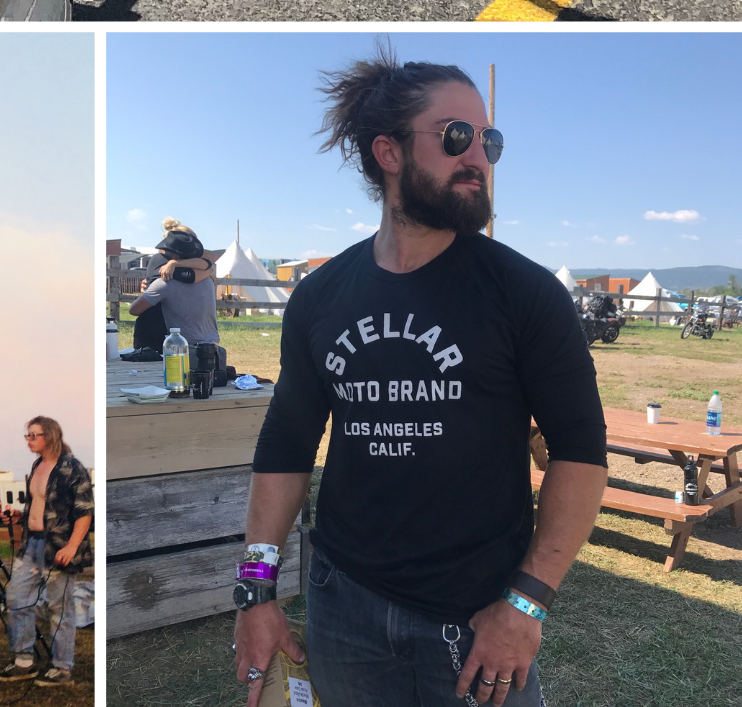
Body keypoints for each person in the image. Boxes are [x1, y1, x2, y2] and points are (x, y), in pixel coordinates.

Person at [232, 47, 609, 707]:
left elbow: (579, 454)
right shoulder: (321, 297)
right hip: (342, 609)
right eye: (455, 137)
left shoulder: (522, 294)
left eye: (488, 140)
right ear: (387, 153)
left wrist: (527, 602)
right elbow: (284, 451)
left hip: (478, 620)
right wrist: (254, 591)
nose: (478, 157)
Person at [0, 417, 92, 687]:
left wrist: (72, 547)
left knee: (60, 608)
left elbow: (85, 511)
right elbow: (39, 507)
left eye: (33, 435)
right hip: (32, 544)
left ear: (49, 436)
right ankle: (24, 661)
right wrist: (17, 517)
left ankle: (62, 668)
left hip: (59, 548)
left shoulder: (72, 468)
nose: (29, 440)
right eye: (27, 435)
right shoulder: (37, 465)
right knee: (16, 598)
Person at [128, 219, 221, 360]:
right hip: (211, 346)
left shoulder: (167, 282)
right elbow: (205, 266)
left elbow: (134, 310)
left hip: (181, 349)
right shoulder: (206, 277)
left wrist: (153, 288)